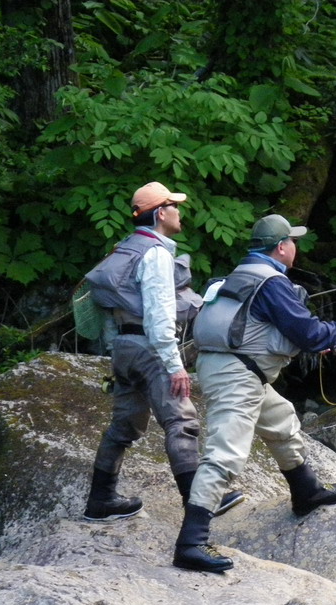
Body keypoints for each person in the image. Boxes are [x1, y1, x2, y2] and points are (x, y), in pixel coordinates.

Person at [172, 214, 336, 573]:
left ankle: (305, 491)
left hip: (229, 368)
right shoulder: (272, 282)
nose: (295, 248)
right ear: (280, 247)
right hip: (236, 375)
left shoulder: (237, 275)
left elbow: (264, 329)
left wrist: (313, 338)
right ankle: (190, 543)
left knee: (281, 420)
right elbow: (306, 332)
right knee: (225, 456)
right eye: (292, 242)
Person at [83, 181, 244, 522]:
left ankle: (101, 501)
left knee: (123, 427)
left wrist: (117, 350)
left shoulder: (124, 249)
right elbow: (159, 315)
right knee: (182, 422)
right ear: (160, 213)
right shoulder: (155, 254)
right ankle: (200, 501)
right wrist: (174, 365)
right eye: (174, 206)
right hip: (150, 348)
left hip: (125, 348)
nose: (179, 212)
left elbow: (109, 310)